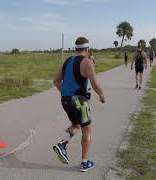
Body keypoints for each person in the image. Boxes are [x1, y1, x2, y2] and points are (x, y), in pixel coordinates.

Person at [52, 36, 106, 172]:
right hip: (79, 102)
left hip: (65, 100)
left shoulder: (67, 61)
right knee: (86, 131)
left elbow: (56, 81)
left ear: (76, 49)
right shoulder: (87, 62)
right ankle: (85, 163)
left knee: (75, 125)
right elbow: (94, 83)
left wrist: (65, 93)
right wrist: (101, 95)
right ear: (87, 49)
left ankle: (62, 144)